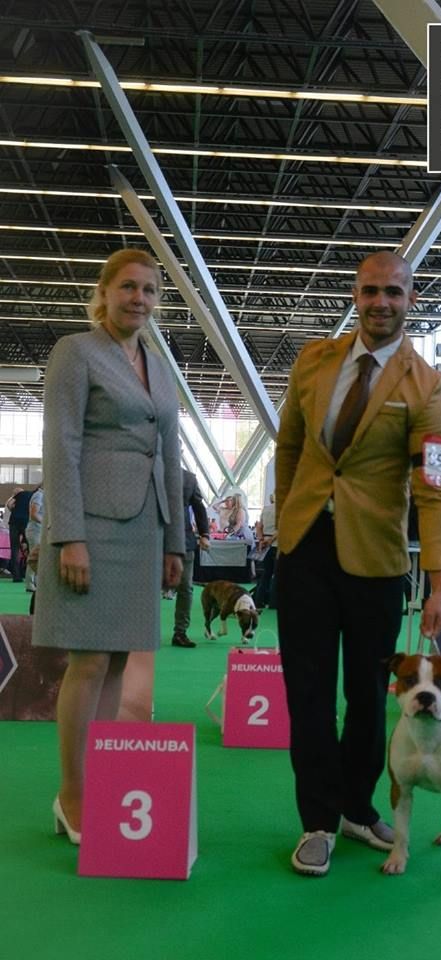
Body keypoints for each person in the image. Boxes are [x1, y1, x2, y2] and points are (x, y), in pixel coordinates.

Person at [275, 251, 441, 876]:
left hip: (376, 560)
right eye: (371, 291)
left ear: (411, 299)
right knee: (307, 693)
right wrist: (287, 520)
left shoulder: (427, 385)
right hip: (304, 552)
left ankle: (356, 806)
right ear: (355, 295)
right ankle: (317, 821)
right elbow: (290, 448)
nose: (381, 303)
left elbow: (434, 489)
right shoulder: (312, 361)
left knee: (367, 696)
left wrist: (439, 582)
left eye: (394, 293)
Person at [31, 247, 185, 844]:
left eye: (148, 290)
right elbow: (61, 446)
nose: (138, 299)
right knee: (90, 660)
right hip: (91, 528)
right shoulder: (76, 351)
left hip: (146, 529)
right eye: (127, 287)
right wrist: (67, 535)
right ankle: (71, 793)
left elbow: (170, 455)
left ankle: (102, 782)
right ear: (104, 293)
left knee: (120, 659)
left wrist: (176, 543)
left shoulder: (160, 366)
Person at [171, 469, 210, 648]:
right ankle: (140, 633)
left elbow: (199, 508)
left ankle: (180, 632)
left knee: (185, 588)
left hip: (184, 541)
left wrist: (205, 534)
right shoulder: (149, 471)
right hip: (153, 540)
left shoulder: (189, 479)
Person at [253, 494, 277, 610]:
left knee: (266, 573)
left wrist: (261, 540)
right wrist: (271, 540)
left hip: (265, 544)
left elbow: (259, 526)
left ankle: (259, 600)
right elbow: (280, 528)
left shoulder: (266, 509)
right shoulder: (282, 509)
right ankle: (273, 602)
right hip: (277, 544)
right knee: (276, 574)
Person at [6, 486, 33, 581]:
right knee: (30, 548)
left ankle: (16, 576)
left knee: (14, 548)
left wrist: (13, 510)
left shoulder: (17, 496)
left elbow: (9, 505)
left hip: (14, 522)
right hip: (26, 522)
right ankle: (30, 575)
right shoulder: (31, 495)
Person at [25, 482, 44, 593]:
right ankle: (30, 583)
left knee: (39, 557)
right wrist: (46, 523)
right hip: (36, 530)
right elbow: (33, 514)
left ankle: (36, 582)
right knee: (35, 557)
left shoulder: (42, 495)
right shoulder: (39, 495)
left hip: (39, 530)